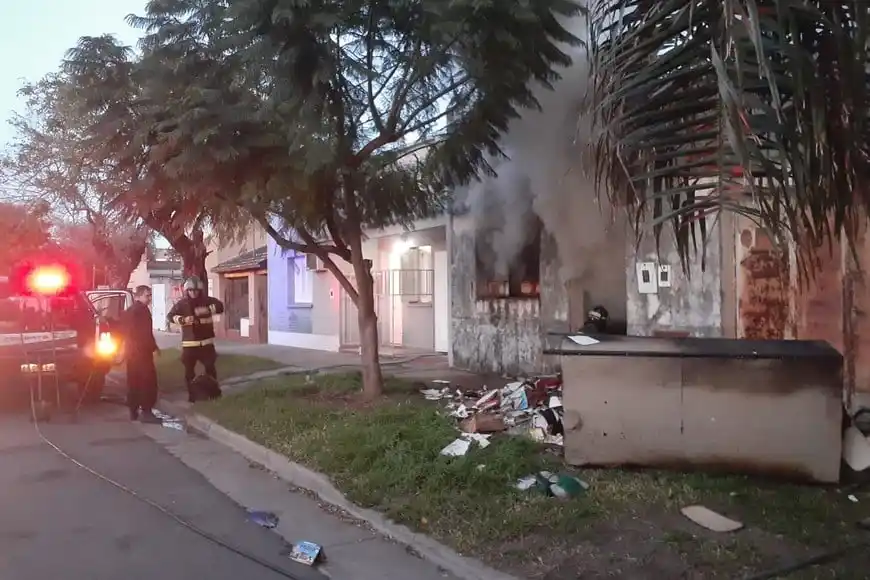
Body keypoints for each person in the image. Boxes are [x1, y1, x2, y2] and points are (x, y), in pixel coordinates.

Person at [166, 276, 225, 402]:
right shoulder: (182, 304)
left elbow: (220, 307)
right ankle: (192, 396)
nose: (193, 293)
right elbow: (170, 316)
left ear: (200, 291)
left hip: (206, 343)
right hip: (189, 344)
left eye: (196, 291)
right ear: (187, 291)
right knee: (189, 372)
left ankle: (213, 394)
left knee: (210, 369)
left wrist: (207, 309)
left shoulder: (208, 300)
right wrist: (182, 320)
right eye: (191, 290)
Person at [122, 285, 161, 423]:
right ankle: (147, 412)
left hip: (132, 353)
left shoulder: (129, 311)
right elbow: (144, 333)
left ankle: (133, 411)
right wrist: (152, 347)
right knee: (147, 382)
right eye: (147, 295)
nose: (149, 298)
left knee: (133, 381)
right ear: (138, 296)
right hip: (142, 352)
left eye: (150, 295)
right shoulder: (141, 311)